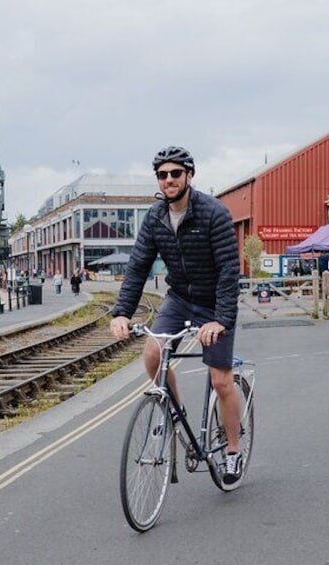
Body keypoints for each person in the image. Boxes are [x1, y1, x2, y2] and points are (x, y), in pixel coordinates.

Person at [110, 146, 244, 485]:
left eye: (175, 173)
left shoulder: (214, 214)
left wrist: (221, 321)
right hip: (180, 299)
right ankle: (175, 409)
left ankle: (232, 450)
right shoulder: (155, 218)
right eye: (162, 175)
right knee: (153, 354)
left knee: (220, 380)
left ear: (189, 175)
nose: (169, 180)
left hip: (214, 302)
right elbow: (138, 266)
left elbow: (230, 271)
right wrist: (122, 313)